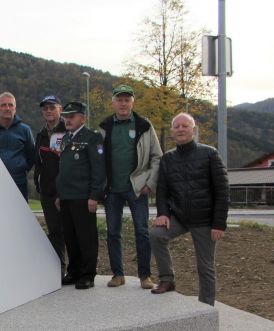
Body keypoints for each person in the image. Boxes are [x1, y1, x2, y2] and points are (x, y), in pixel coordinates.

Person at [150, 113, 229, 306]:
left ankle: (206, 307)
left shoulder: (209, 154)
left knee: (205, 266)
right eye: (176, 127)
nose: (180, 129)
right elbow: (163, 190)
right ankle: (167, 279)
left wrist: (219, 224)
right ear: (172, 132)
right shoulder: (168, 158)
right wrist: (163, 213)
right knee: (156, 235)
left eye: (185, 126)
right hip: (180, 216)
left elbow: (222, 190)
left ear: (193, 130)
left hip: (205, 219)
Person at [98, 84, 163, 289]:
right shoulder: (105, 126)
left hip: (137, 189)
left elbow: (157, 157)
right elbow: (97, 158)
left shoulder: (144, 126)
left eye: (127, 100)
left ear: (133, 102)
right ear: (113, 103)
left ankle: (145, 276)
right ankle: (118, 274)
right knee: (113, 233)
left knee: (142, 231)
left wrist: (150, 183)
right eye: (120, 100)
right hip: (112, 190)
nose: (123, 103)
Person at [55, 102, 105, 289]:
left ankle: (88, 275)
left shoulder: (92, 138)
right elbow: (64, 170)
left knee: (86, 237)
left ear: (82, 118)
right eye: (66, 116)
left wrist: (94, 195)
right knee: (71, 237)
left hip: (83, 196)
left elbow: (98, 170)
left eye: (72, 116)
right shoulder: (66, 138)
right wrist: (60, 194)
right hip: (67, 195)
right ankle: (74, 272)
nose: (68, 119)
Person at [34, 95, 67, 276]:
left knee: (71, 231)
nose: (48, 111)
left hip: (67, 192)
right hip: (47, 192)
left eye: (52, 107)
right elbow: (37, 162)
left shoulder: (68, 130)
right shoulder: (41, 134)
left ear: (60, 109)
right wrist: (38, 183)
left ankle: (78, 269)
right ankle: (58, 269)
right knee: (54, 232)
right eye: (45, 108)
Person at [0, 92, 36, 201]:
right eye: (3, 105)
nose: (7, 108)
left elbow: (31, 156)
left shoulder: (25, 130)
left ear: (15, 109)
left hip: (19, 184)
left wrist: (20, 168)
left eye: (10, 105)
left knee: (20, 218)